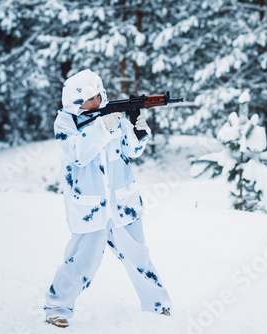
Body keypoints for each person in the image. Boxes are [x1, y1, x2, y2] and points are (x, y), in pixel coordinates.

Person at [44, 69, 172, 328]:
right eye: (89, 99)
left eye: (98, 96)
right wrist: (103, 127)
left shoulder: (112, 114)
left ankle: (158, 308)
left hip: (122, 203)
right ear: (75, 102)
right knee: (81, 262)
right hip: (89, 207)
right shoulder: (65, 123)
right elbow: (79, 154)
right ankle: (57, 308)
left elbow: (131, 151)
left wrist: (137, 129)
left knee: (139, 257)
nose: (96, 102)